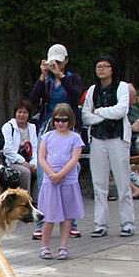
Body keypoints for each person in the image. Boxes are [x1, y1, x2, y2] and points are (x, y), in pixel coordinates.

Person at [30, 43, 83, 238]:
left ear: (66, 61)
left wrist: (60, 75)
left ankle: (71, 220)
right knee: (46, 177)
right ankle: (43, 220)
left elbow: (76, 94)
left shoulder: (72, 78)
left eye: (59, 62)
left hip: (69, 128)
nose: (55, 66)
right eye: (53, 62)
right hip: (49, 127)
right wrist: (43, 76)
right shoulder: (46, 81)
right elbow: (33, 99)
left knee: (71, 172)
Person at [82, 55, 134, 237]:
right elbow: (86, 116)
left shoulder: (122, 87)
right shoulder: (92, 90)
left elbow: (121, 110)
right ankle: (100, 224)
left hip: (117, 138)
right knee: (99, 183)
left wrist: (100, 112)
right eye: (99, 66)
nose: (101, 69)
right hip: (98, 139)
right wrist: (100, 116)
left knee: (123, 182)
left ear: (112, 69)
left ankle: (127, 222)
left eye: (105, 66)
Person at [36, 103, 84, 260]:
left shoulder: (75, 138)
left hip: (68, 181)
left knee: (67, 217)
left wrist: (62, 174)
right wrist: (51, 174)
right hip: (51, 181)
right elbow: (41, 158)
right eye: (57, 120)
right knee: (49, 216)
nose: (60, 123)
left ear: (70, 121)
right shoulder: (47, 137)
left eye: (64, 120)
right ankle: (45, 246)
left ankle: (63, 247)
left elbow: (74, 159)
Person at [1, 100, 38, 196]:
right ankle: (26, 199)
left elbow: (35, 147)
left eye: (25, 112)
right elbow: (7, 150)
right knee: (25, 173)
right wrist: (23, 162)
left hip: (29, 161)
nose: (22, 115)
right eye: (19, 112)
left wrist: (34, 162)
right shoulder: (8, 127)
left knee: (40, 171)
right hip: (13, 162)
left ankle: (37, 201)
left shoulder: (32, 127)